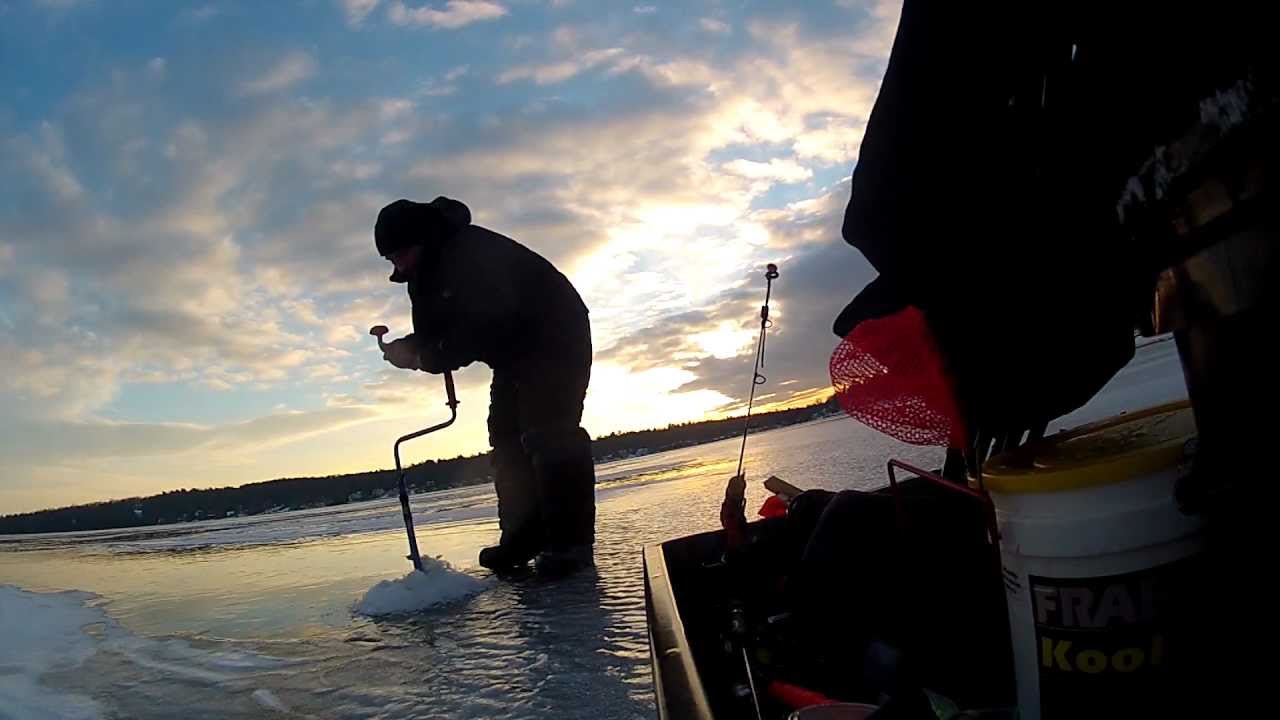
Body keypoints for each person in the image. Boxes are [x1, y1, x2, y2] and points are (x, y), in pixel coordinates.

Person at [374, 196, 596, 577]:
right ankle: (522, 538)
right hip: (512, 353)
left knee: (548, 431)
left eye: (402, 253)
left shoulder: (470, 253)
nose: (399, 265)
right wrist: (409, 350)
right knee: (505, 435)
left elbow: (480, 328)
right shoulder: (422, 277)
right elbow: (435, 337)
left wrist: (427, 356)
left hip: (556, 333)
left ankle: (570, 545)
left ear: (421, 239)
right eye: (391, 259)